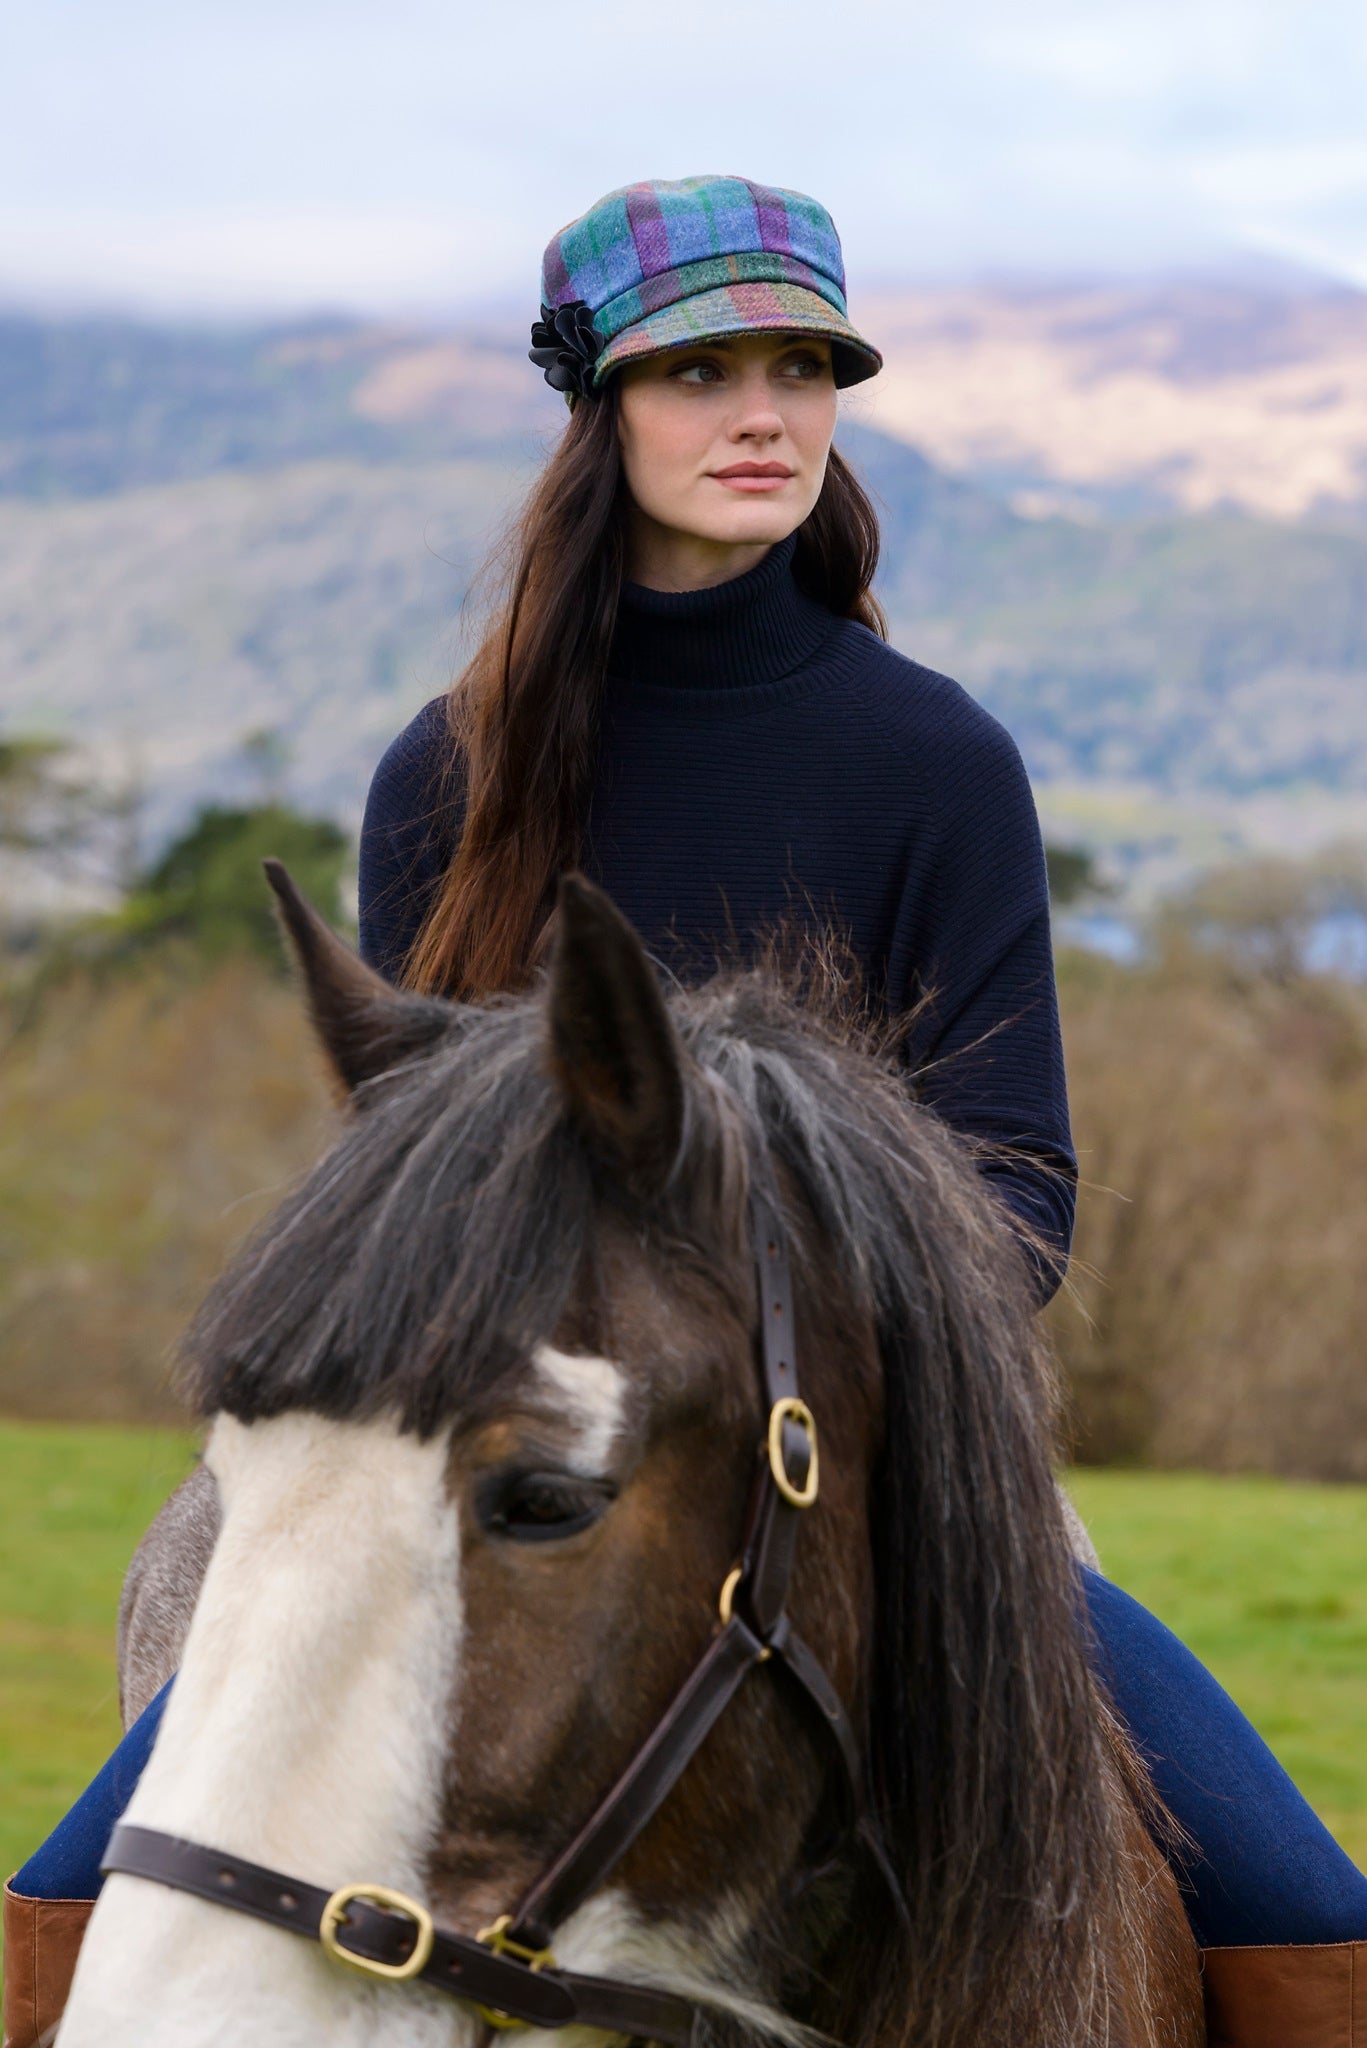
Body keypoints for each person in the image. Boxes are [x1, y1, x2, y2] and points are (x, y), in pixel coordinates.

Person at [7, 174, 1366, 2048]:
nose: (764, 413)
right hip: (483, 1451)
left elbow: (1024, 1187)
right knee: (75, 1909)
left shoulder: (938, 761)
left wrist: (808, 1306)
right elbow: (407, 1194)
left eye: (804, 368)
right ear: (599, 411)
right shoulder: (450, 769)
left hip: (882, 1453)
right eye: (703, 368)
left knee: (1307, 1917)